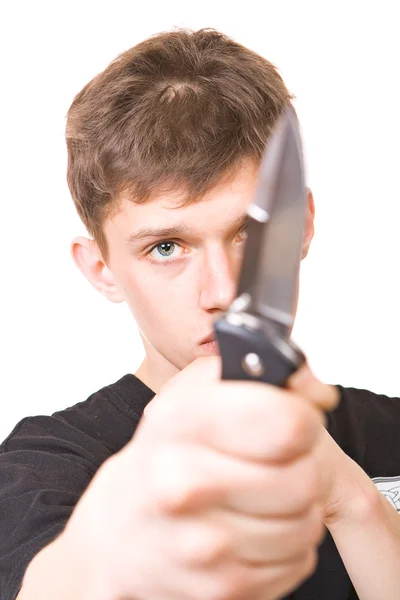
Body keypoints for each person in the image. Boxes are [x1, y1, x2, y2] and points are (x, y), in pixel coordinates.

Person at [1, 28, 400, 600]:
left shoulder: (392, 435)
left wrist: (350, 500)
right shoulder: (45, 466)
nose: (224, 290)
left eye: (250, 234)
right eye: (166, 247)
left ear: (303, 226)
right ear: (101, 268)